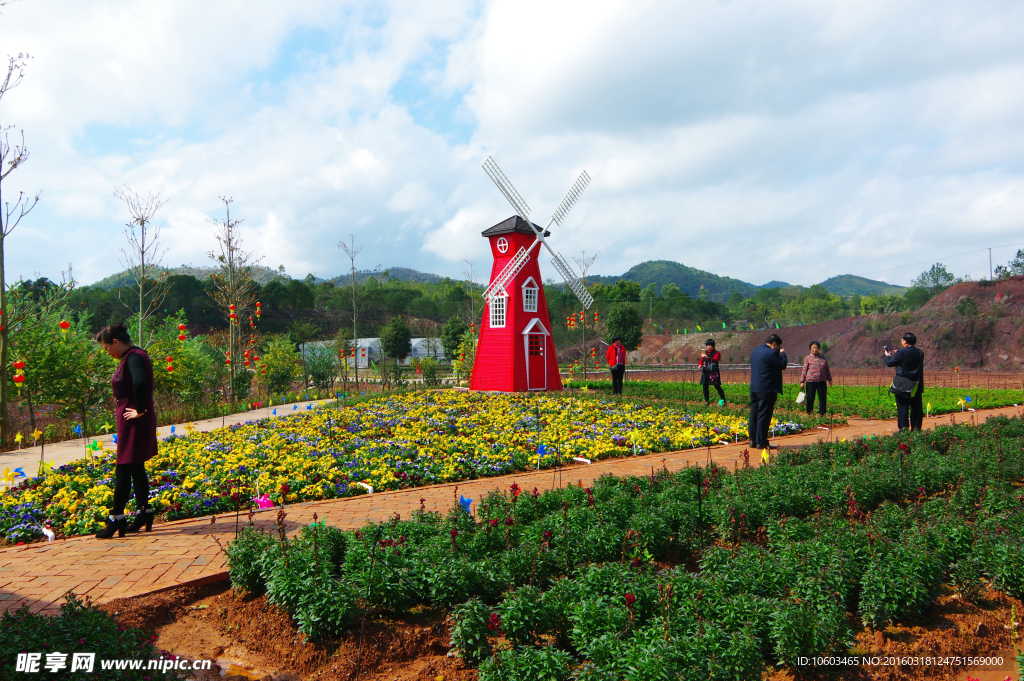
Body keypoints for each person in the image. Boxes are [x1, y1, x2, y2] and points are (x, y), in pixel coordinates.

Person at [95, 323, 158, 539]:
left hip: (133, 420)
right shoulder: (137, 355)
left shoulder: (133, 357)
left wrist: (139, 409)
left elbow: (140, 382)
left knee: (123, 469)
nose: (108, 353)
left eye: (107, 348)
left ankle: (116, 518)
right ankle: (144, 513)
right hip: (134, 419)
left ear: (116, 342)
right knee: (136, 468)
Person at [749, 334, 787, 450]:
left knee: (754, 413)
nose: (778, 349)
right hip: (767, 388)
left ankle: (753, 440)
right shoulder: (771, 353)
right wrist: (783, 354)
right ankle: (762, 441)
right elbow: (782, 365)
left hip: (755, 387)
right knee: (764, 414)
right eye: (778, 347)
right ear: (774, 344)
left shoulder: (755, 351)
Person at [885, 332, 924, 431]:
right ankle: (916, 430)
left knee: (902, 408)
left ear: (905, 342)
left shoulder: (901, 352)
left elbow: (890, 363)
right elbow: (910, 360)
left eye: (902, 340)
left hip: (903, 385)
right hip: (916, 385)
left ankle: (904, 431)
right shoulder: (920, 353)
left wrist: (888, 355)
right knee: (916, 408)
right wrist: (900, 353)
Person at [800, 341, 832, 416]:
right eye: (813, 348)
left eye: (816, 348)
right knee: (810, 398)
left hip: (822, 381)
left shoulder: (823, 357)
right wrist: (802, 381)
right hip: (811, 381)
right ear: (810, 349)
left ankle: (822, 414)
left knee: (822, 398)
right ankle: (810, 414)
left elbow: (827, 369)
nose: (815, 349)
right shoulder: (808, 358)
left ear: (819, 348)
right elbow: (804, 370)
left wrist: (829, 379)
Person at [698, 339, 726, 405]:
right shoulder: (704, 353)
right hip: (705, 371)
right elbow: (701, 360)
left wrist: (707, 358)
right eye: (707, 346)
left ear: (713, 346)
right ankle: (706, 401)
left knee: (717, 386)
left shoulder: (717, 353)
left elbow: (715, 360)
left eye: (710, 346)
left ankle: (723, 400)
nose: (708, 347)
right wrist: (700, 365)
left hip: (713, 372)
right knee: (705, 386)